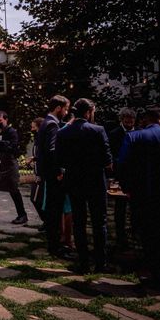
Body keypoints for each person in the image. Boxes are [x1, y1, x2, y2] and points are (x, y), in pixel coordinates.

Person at [119, 106, 160, 286]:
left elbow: (122, 164)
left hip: (141, 193)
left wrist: (127, 187)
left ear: (145, 120)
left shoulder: (133, 137)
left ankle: (149, 268)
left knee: (145, 230)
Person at [56, 98, 112, 273]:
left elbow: (59, 159)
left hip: (74, 180)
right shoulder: (98, 130)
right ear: (88, 112)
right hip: (95, 180)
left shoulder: (63, 132)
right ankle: (101, 263)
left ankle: (84, 263)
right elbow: (107, 159)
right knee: (99, 222)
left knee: (79, 222)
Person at [37, 95, 71, 257]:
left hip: (47, 174)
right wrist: (58, 171)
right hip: (53, 175)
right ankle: (55, 247)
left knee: (52, 210)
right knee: (55, 211)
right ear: (58, 108)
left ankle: (54, 245)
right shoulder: (52, 125)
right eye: (65, 109)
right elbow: (52, 151)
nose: (66, 112)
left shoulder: (47, 122)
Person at [108, 107, 136, 248]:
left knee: (135, 206)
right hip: (119, 175)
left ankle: (134, 232)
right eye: (127, 119)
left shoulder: (138, 133)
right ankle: (120, 235)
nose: (130, 122)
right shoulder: (114, 134)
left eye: (131, 120)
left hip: (134, 175)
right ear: (122, 119)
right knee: (120, 207)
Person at [27, 117, 46, 230]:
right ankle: (46, 221)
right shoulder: (38, 139)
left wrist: (34, 158)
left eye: (34, 127)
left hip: (41, 174)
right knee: (36, 198)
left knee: (36, 199)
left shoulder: (43, 139)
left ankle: (47, 221)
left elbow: (43, 155)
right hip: (37, 172)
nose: (32, 129)